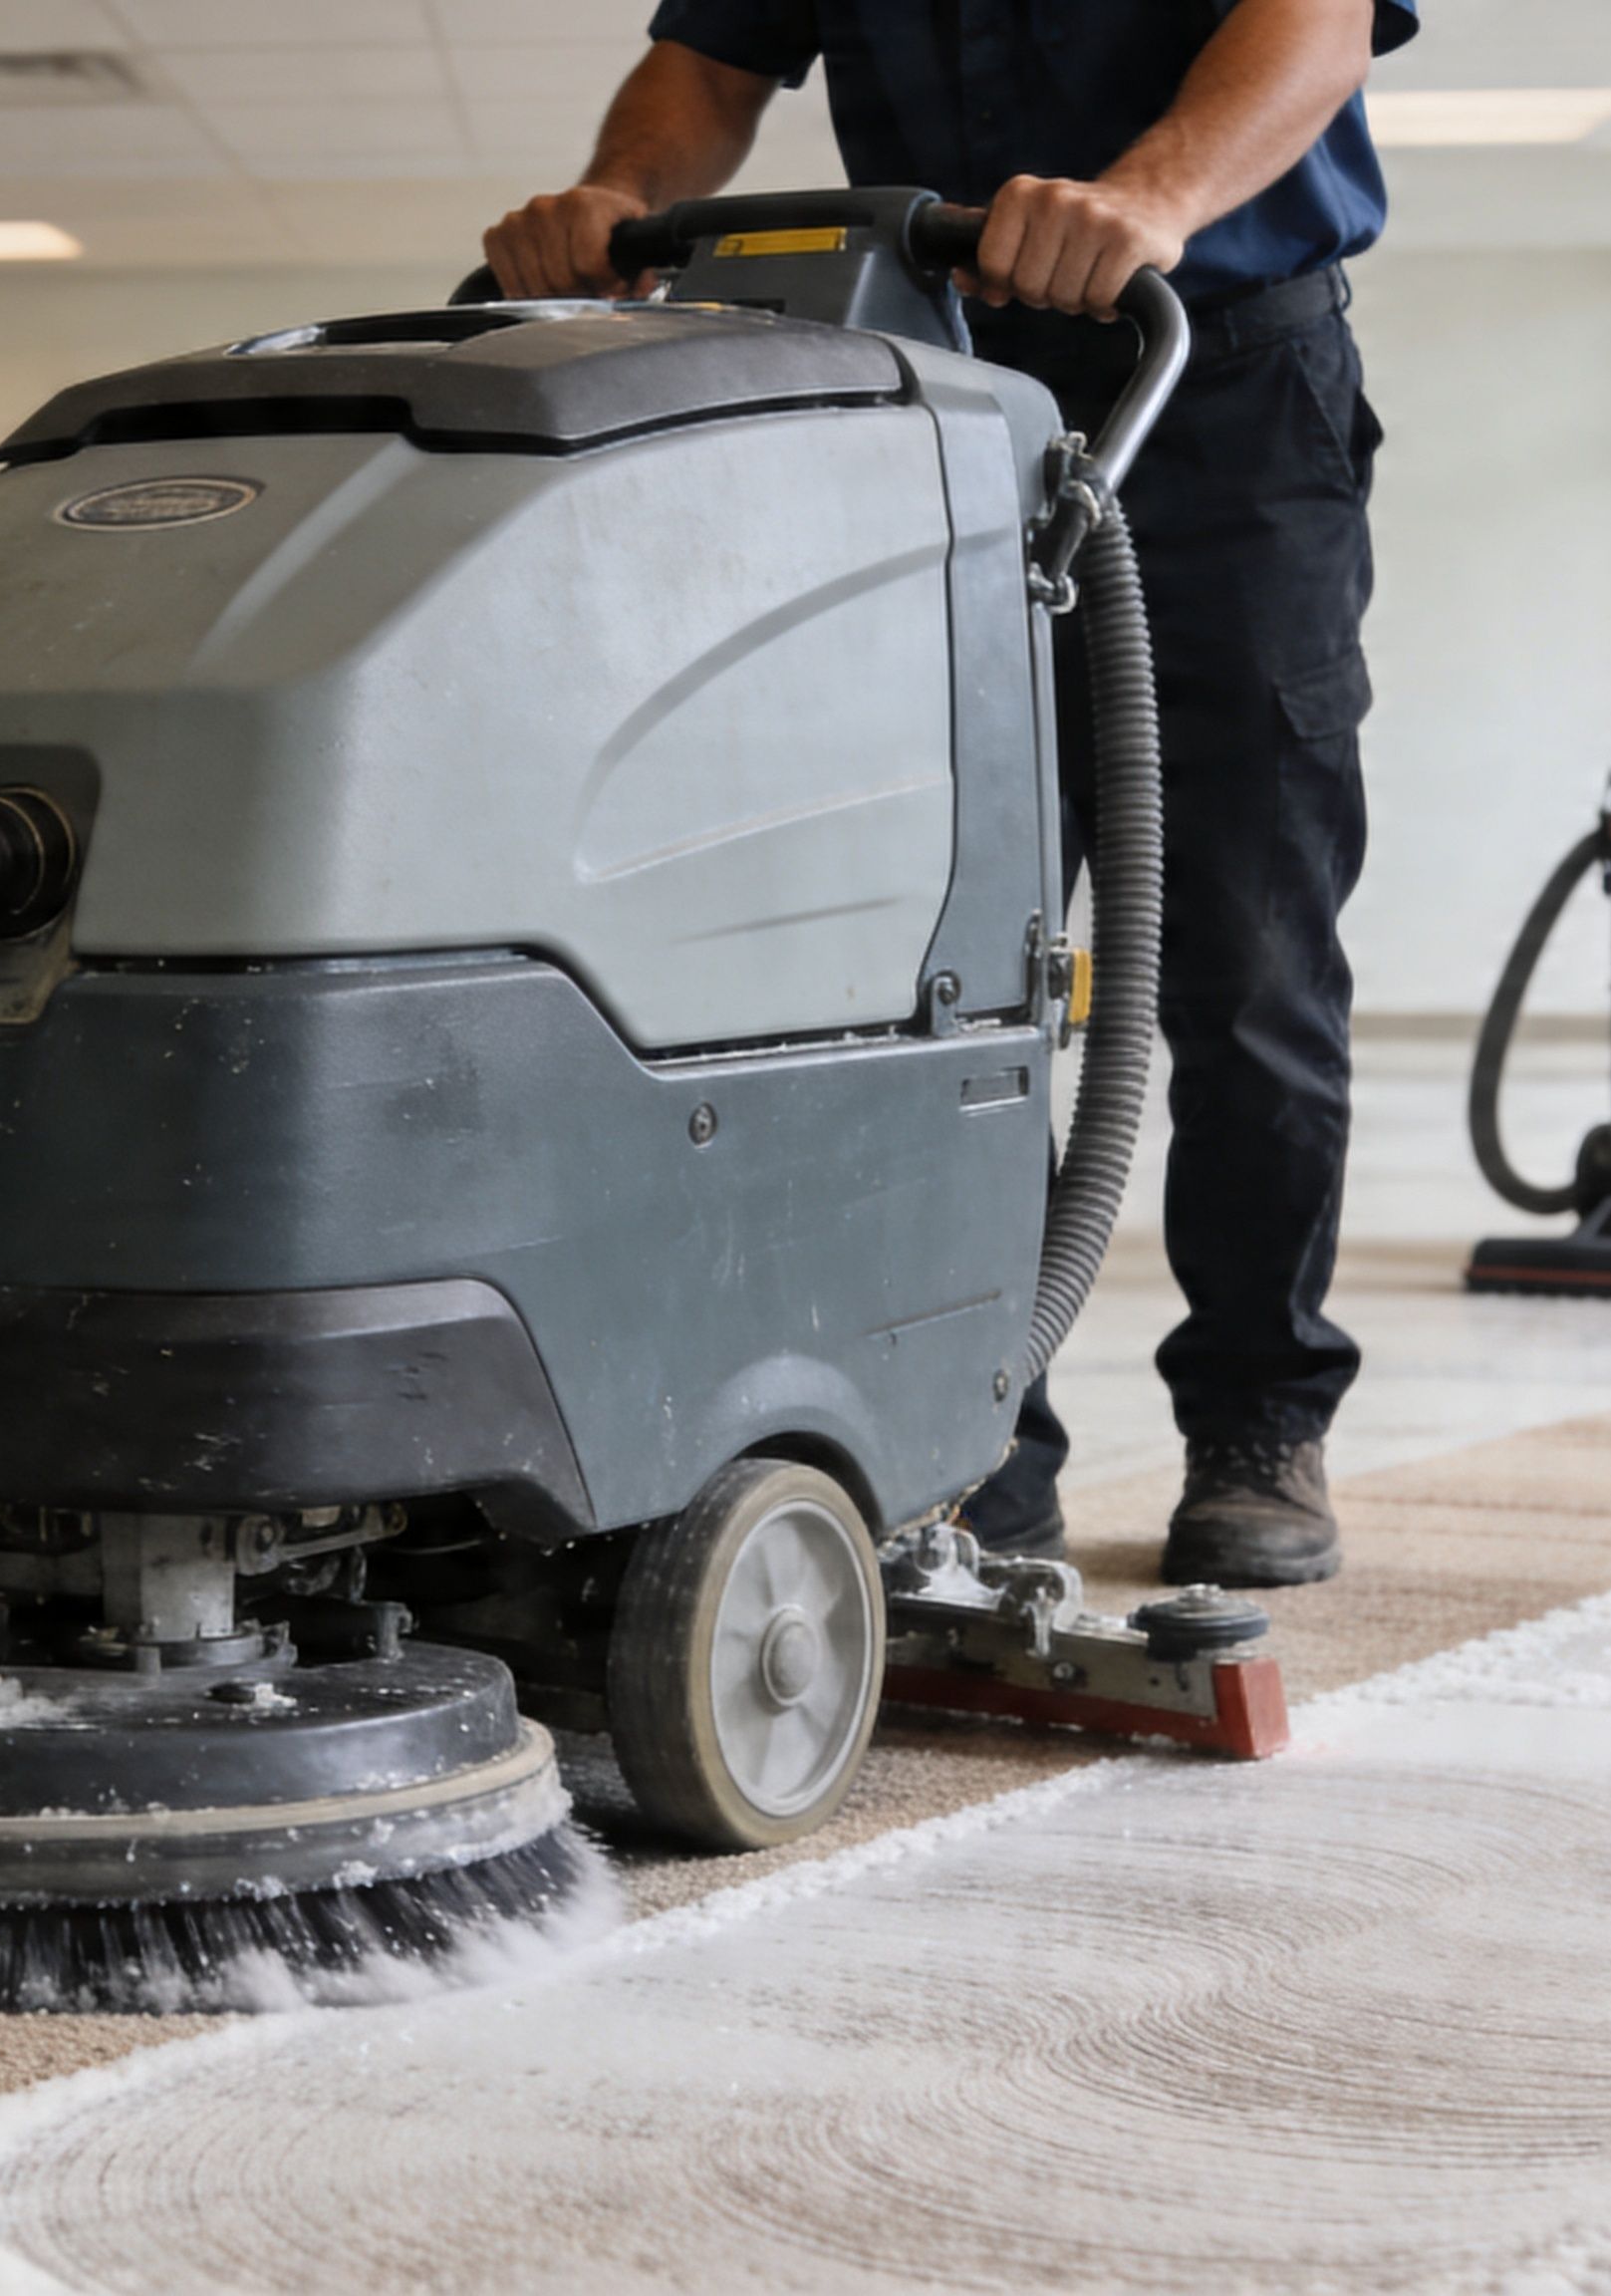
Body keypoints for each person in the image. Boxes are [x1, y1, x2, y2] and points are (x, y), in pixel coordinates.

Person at [484, 0, 1410, 1588]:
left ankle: (1260, 1418)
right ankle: (976, 1440)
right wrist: (615, 197)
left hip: (1216, 395)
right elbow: (709, 69)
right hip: (928, 420)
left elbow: (1311, 24)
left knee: (1248, 966)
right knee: (930, 977)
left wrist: (1152, 200)